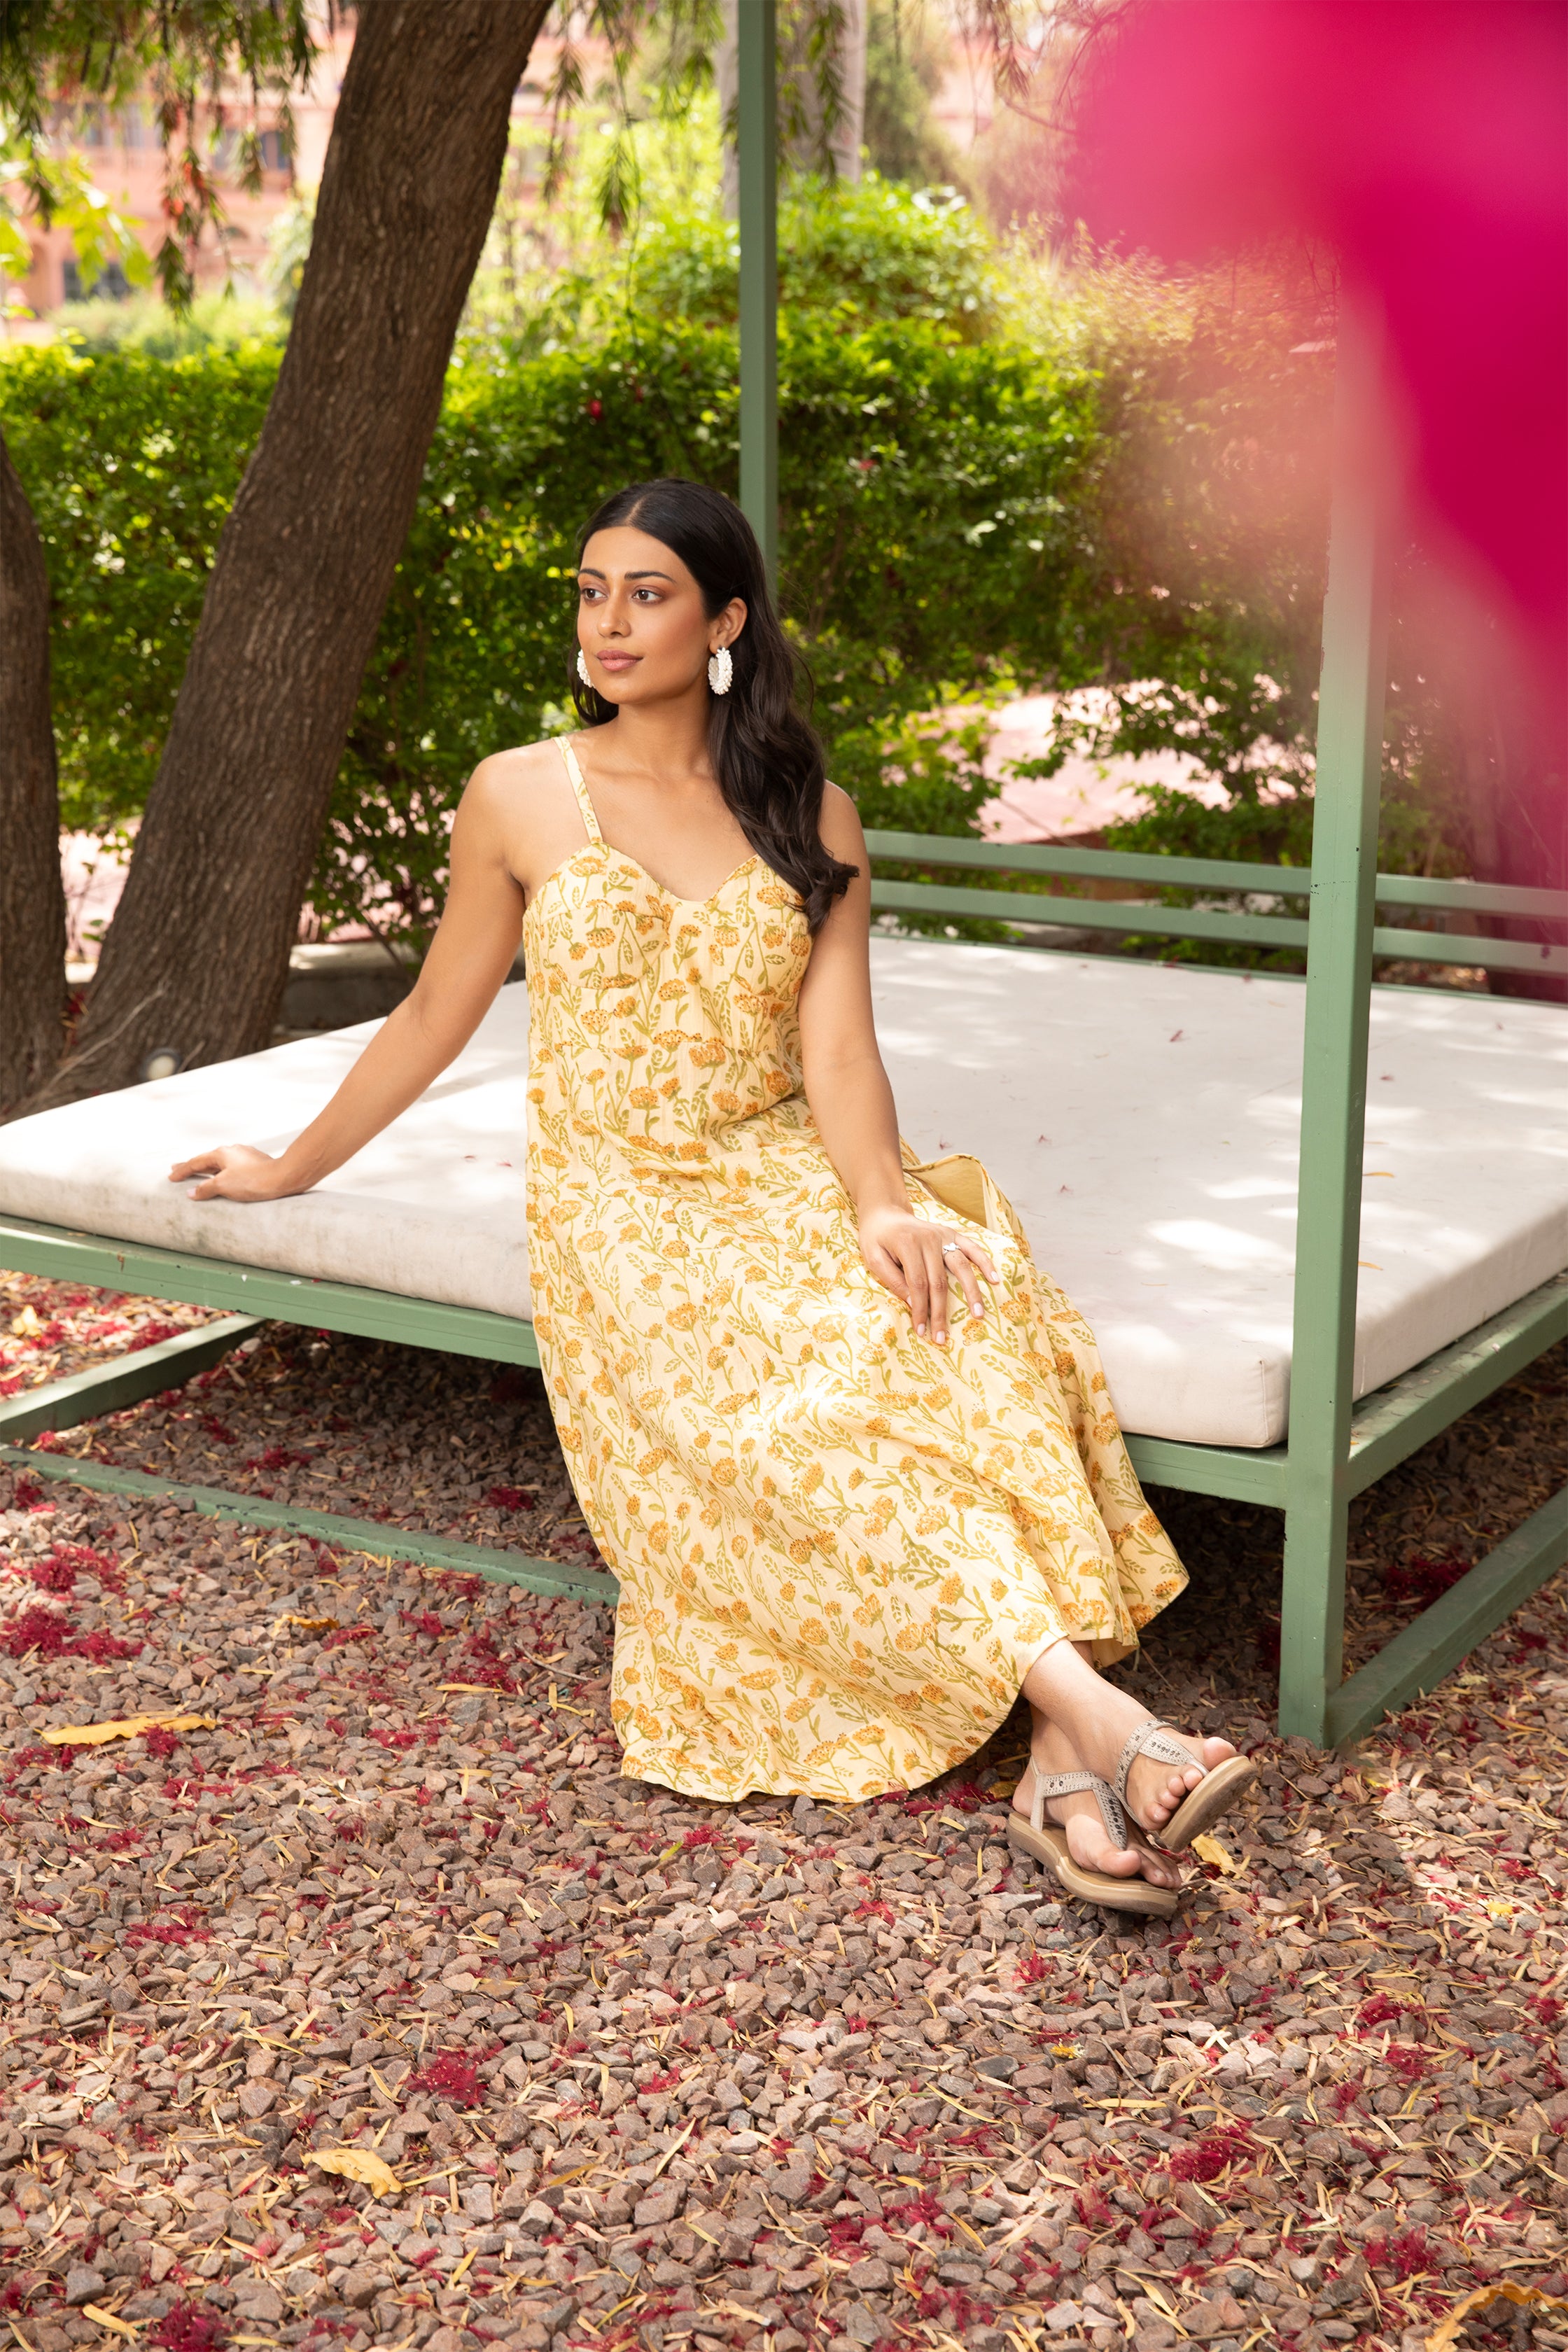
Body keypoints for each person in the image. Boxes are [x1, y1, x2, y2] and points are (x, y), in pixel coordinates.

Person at [172, 477, 1255, 1914]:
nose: (607, 622)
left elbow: (838, 1054)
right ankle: (1111, 1725)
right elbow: (437, 1012)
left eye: (648, 593)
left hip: (776, 1168)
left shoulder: (813, 815)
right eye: (589, 590)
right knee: (797, 1422)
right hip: (617, 1202)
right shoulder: (518, 793)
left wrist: (877, 1199)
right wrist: (290, 1165)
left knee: (939, 1334)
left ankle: (1069, 1747)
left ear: (725, 619)